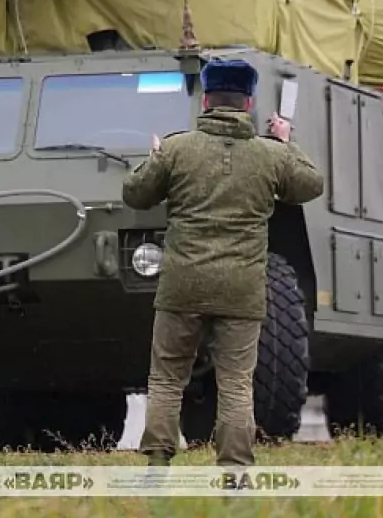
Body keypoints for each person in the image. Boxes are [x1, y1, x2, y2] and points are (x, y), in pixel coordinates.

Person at [121, 58, 324, 468]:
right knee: (235, 383)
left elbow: (134, 194)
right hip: (241, 290)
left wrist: (154, 157)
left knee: (166, 380)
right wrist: (286, 141)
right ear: (248, 103)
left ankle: (157, 465)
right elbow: (311, 184)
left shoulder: (177, 149)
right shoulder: (270, 156)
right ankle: (234, 471)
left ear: (207, 100)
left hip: (182, 286)